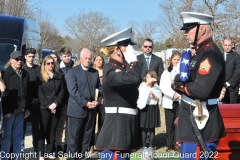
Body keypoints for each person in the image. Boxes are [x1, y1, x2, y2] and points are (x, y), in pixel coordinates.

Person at [172, 12, 226, 159]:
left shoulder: (210, 54)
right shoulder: (199, 53)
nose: (185, 33)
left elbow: (201, 90)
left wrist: (179, 85)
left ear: (202, 30)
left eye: (188, 29)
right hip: (191, 121)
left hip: (201, 123)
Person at [96, 28, 141, 160]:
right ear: (117, 49)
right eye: (127, 46)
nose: (130, 50)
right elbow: (133, 79)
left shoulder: (122, 69)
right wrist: (133, 61)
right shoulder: (111, 70)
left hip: (124, 126)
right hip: (116, 129)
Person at [66, 48, 102, 160]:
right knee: (74, 139)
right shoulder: (73, 72)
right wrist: (86, 103)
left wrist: (98, 100)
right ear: (81, 58)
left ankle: (83, 157)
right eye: (85, 58)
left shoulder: (94, 72)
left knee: (86, 137)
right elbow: (73, 91)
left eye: (89, 58)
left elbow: (100, 89)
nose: (88, 60)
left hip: (91, 111)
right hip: (77, 110)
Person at [1, 51, 31, 160]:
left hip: (21, 111)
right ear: (11, 60)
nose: (19, 61)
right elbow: (4, 95)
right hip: (9, 111)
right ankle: (4, 157)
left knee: (18, 136)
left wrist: (27, 108)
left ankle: (17, 157)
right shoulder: (6, 73)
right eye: (17, 59)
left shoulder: (25, 73)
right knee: (7, 137)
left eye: (21, 59)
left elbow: (26, 93)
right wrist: (6, 111)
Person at [37, 55, 65, 160]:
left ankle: (50, 151)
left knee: (52, 131)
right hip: (44, 108)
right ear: (44, 64)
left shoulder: (59, 76)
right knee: (43, 131)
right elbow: (40, 93)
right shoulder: (40, 76)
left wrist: (56, 103)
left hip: (56, 107)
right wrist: (49, 105)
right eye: (48, 63)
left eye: (52, 63)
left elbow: (62, 91)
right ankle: (41, 154)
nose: (50, 65)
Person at [159, 51, 181, 152]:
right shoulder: (166, 73)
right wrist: (173, 94)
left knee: (179, 123)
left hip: (180, 101)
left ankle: (178, 144)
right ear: (171, 60)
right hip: (169, 101)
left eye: (178, 59)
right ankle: (169, 144)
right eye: (174, 59)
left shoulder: (183, 72)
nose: (176, 61)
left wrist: (179, 95)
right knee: (169, 124)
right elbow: (163, 87)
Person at [55, 47, 74, 153]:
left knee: (70, 126)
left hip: (73, 101)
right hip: (62, 101)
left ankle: (67, 145)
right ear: (61, 57)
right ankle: (58, 145)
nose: (67, 58)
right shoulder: (58, 69)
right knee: (60, 125)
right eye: (65, 56)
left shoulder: (76, 67)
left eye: (69, 55)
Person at [138, 70, 161, 151]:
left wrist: (153, 95)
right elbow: (140, 95)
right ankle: (144, 146)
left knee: (151, 128)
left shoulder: (157, 87)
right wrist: (147, 85)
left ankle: (151, 146)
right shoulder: (142, 85)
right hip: (145, 107)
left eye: (149, 77)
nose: (147, 79)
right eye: (147, 77)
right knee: (144, 128)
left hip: (153, 108)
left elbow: (158, 99)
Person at [23, 48, 40, 152]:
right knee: (22, 128)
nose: (31, 58)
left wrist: (37, 99)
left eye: (33, 56)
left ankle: (36, 146)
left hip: (36, 102)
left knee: (35, 126)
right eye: (29, 56)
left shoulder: (38, 69)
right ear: (25, 57)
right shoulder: (22, 69)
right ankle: (21, 148)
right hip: (24, 103)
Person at [89, 54, 105, 152]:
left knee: (102, 122)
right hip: (93, 101)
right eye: (97, 60)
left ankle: (100, 144)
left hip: (103, 101)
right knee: (91, 122)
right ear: (94, 61)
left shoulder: (106, 71)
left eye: (100, 59)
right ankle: (91, 144)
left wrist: (103, 98)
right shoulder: (91, 72)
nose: (99, 61)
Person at [222, 37, 240, 104]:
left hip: (232, 89)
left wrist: (228, 83)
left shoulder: (237, 57)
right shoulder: (219, 56)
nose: (227, 47)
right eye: (226, 45)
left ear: (232, 45)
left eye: (229, 45)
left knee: (231, 111)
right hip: (220, 89)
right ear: (223, 45)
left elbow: (238, 72)